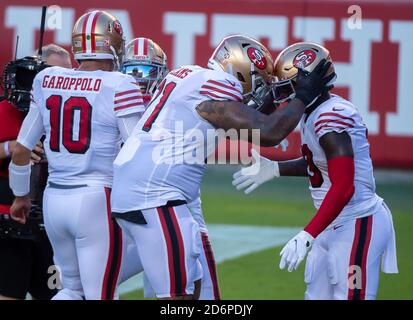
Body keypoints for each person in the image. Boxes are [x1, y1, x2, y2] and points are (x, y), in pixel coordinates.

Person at [111, 35, 334, 299]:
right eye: (259, 82)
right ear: (241, 72)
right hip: (156, 197)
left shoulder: (192, 78)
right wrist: (304, 95)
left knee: (190, 288)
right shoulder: (218, 85)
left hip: (140, 192)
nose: (260, 90)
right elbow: (270, 132)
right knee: (177, 297)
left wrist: (276, 100)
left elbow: (243, 122)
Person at [232, 42, 398, 300]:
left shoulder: (331, 117)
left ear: (309, 82)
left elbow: (344, 186)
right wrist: (275, 168)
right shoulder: (316, 113)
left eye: (288, 85)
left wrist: (308, 233)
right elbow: (321, 164)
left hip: (357, 220)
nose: (283, 93)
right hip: (333, 222)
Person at [9, 10, 145, 300]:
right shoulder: (121, 84)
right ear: (113, 43)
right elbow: (137, 151)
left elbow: (20, 149)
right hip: (97, 200)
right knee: (101, 294)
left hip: (54, 201)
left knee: (73, 290)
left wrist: (21, 196)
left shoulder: (47, 79)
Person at [120, 37, 220, 299]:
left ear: (161, 74)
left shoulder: (174, 102)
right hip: (147, 207)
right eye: (131, 71)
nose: (138, 80)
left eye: (146, 72)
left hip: (168, 206)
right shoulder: (115, 99)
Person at [0, 44, 71, 300]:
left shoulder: (72, 113)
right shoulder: (4, 109)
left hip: (53, 223)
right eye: (51, 73)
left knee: (58, 294)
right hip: (10, 217)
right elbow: (18, 149)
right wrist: (11, 148)